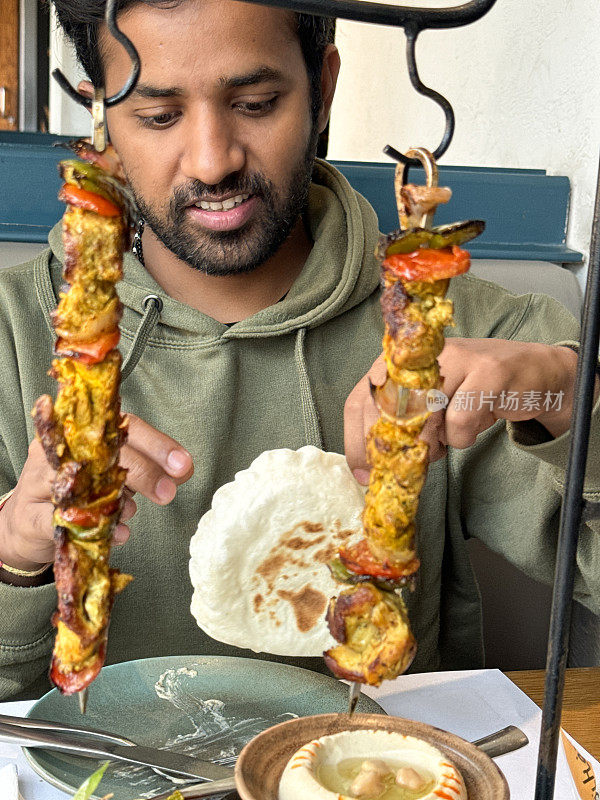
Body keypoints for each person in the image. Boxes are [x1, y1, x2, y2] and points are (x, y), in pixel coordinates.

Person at [0, 0, 598, 701]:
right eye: (159, 116)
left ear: (324, 88)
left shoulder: (464, 335)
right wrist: (15, 555)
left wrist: (564, 400)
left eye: (255, 103)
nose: (212, 159)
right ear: (102, 113)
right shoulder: (15, 330)